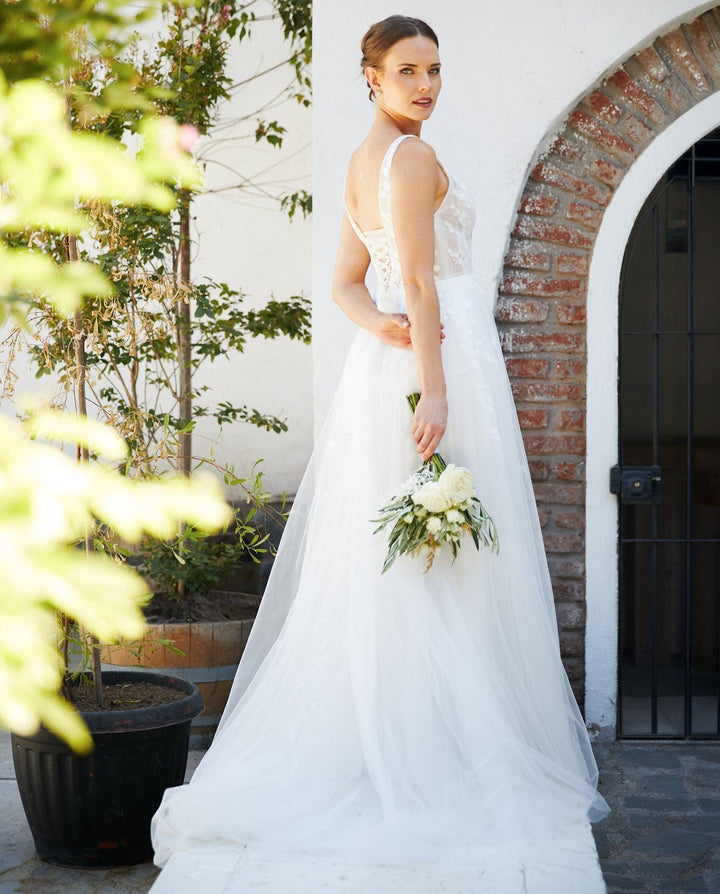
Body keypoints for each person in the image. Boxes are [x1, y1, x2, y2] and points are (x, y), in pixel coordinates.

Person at [151, 13, 610, 881]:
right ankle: (432, 751)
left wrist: (385, 331)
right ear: (371, 76)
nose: (426, 85)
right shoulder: (409, 159)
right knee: (441, 553)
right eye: (408, 71)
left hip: (395, 361)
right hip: (439, 364)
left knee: (408, 559)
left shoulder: (366, 161)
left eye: (435, 69)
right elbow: (423, 282)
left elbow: (347, 287)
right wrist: (432, 382)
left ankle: (405, 734)